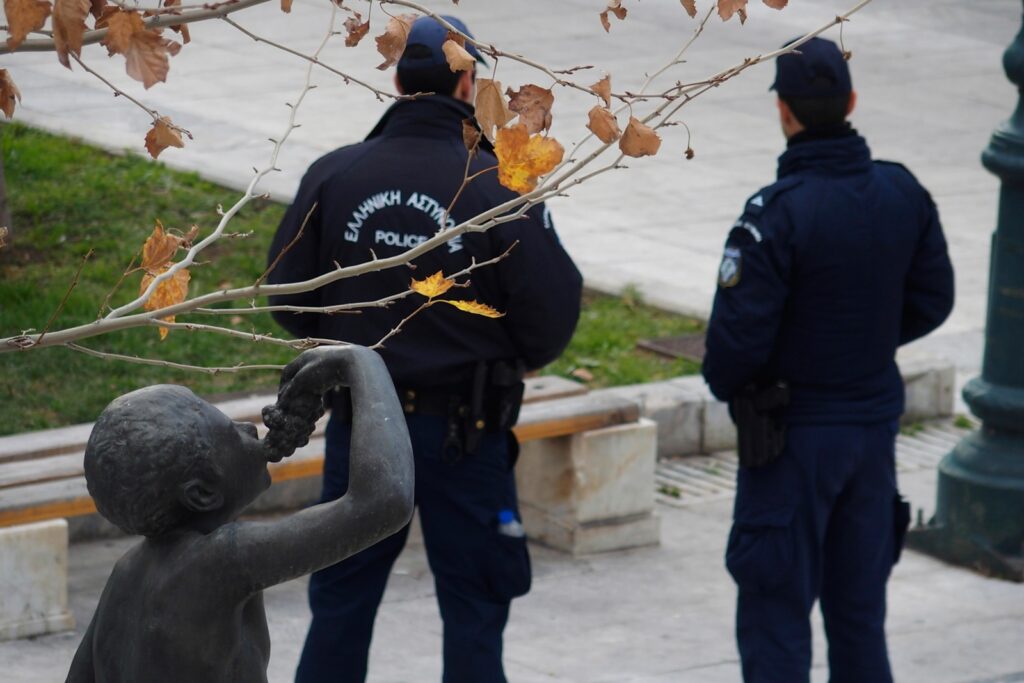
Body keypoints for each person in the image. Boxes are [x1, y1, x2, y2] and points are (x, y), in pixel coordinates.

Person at [265, 15, 582, 683]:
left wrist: (346, 344)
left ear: (398, 78)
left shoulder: (337, 173)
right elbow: (551, 313)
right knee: (474, 606)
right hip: (465, 435)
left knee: (342, 602)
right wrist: (506, 353)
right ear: (467, 82)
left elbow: (288, 296)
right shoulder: (497, 187)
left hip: (363, 427)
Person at [702, 37, 955, 683]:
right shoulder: (903, 192)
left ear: (783, 112)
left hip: (791, 443)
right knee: (859, 620)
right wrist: (862, 340)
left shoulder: (774, 216)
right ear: (851, 102)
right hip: (871, 434)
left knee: (777, 626)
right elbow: (934, 299)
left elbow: (733, 352)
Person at [65, 346, 415, 683]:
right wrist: (362, 363)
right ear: (202, 493)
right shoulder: (221, 560)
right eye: (231, 431)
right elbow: (385, 500)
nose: (250, 428)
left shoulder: (125, 574)